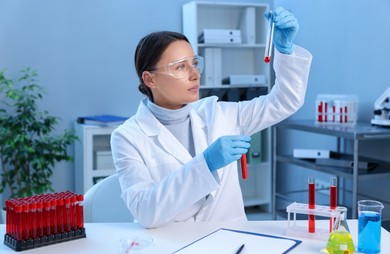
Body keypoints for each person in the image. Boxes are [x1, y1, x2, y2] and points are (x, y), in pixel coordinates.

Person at [111, 7, 312, 228]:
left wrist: (285, 51)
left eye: (195, 64)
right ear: (150, 79)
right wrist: (206, 163)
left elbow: (285, 101)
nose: (195, 74)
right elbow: (145, 211)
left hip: (231, 239)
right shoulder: (128, 136)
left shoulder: (220, 114)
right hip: (170, 244)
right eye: (180, 67)